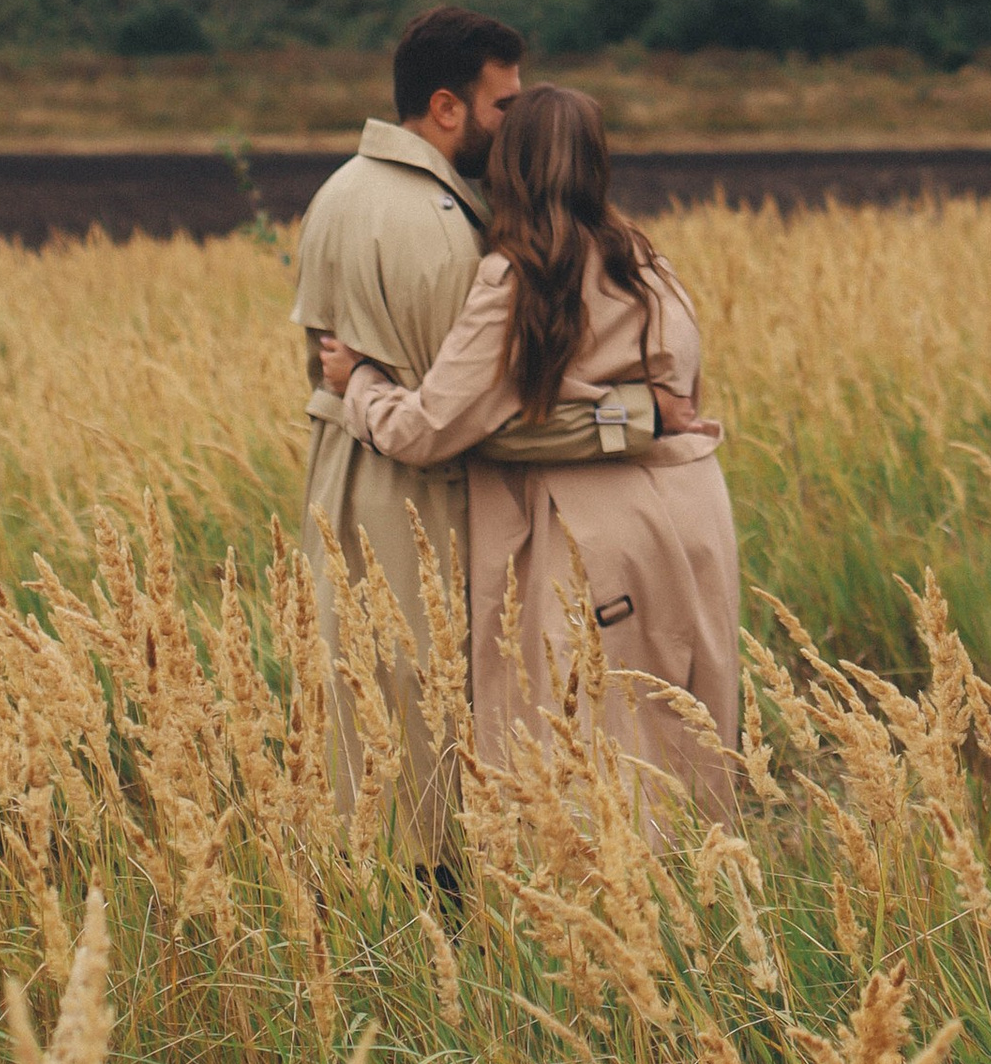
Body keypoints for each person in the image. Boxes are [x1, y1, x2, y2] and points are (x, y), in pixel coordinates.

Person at [316, 83, 741, 818]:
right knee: (683, 736)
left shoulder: (517, 280)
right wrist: (632, 413)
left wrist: (359, 384)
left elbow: (426, 430)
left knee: (585, 755)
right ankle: (703, 890)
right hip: (693, 515)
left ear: (506, 169)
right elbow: (679, 401)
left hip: (594, 534)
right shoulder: (647, 263)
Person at [291, 3, 527, 849]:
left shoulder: (336, 193)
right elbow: (455, 413)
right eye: (504, 104)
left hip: (334, 490)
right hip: (425, 508)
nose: (515, 123)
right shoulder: (442, 226)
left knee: (357, 729)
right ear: (447, 107)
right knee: (433, 740)